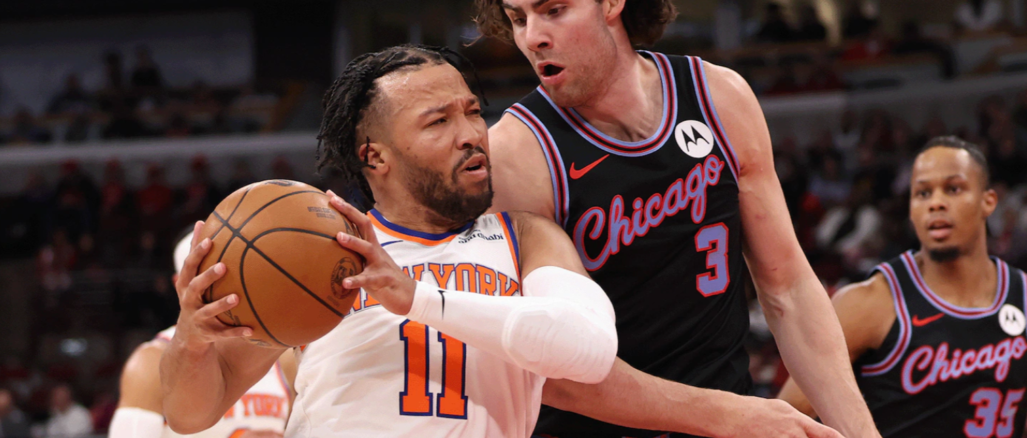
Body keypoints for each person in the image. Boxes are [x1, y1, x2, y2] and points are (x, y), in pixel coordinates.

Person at [159, 45, 619, 438]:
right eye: (438, 121)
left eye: (473, 112)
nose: (471, 135)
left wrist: (416, 298)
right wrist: (191, 340)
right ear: (376, 157)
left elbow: (591, 351)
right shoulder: (324, 249)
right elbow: (189, 415)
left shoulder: (524, 237)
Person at [474, 0, 877, 437]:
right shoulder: (515, 156)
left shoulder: (719, 96)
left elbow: (788, 289)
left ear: (611, 4)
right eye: (518, 19)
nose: (533, 37)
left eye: (554, 10)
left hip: (729, 417)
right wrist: (723, 415)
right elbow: (549, 367)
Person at [778, 136, 1027, 437]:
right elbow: (784, 420)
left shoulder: (1025, 297)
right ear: (911, 209)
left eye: (953, 188)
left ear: (988, 201)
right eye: (923, 193)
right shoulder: (869, 302)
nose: (936, 203)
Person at [109, 230, 295, 438]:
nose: (223, 287)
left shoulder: (283, 357)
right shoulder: (149, 362)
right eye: (209, 277)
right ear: (180, 284)